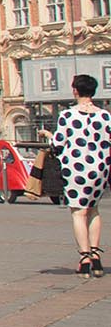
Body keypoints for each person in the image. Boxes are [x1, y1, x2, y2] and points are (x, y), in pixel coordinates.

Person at [54, 75, 110, 278]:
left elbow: (58, 143)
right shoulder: (105, 116)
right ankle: (96, 255)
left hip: (76, 170)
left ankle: (84, 258)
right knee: (93, 210)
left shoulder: (68, 115)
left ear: (75, 91)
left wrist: (48, 138)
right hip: (99, 169)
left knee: (78, 212)